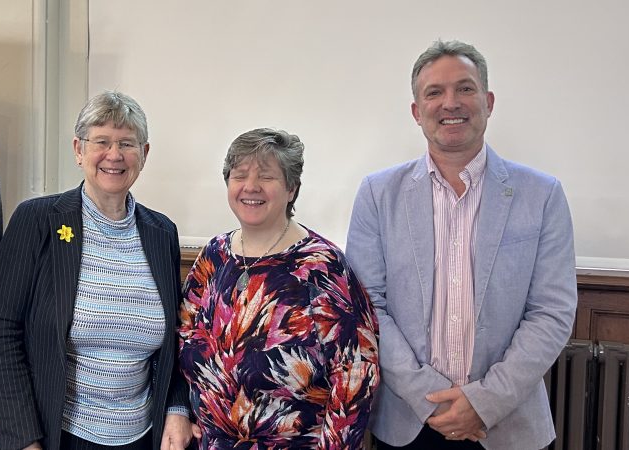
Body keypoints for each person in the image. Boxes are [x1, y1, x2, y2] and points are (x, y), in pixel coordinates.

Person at [346, 40, 577, 450]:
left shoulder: (542, 195)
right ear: (417, 112)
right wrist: (427, 398)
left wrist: (483, 402)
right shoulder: (378, 194)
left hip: (507, 426)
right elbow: (369, 307)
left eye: (465, 89)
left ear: (488, 101)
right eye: (434, 92)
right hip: (408, 423)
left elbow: (552, 311)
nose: (450, 102)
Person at [0, 91, 192, 450]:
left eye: (127, 143)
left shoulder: (162, 233)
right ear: (79, 150)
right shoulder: (38, 220)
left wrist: (177, 406)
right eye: (101, 142)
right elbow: (0, 330)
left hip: (144, 436)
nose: (114, 155)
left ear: (144, 154)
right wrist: (23, 438)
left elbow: (177, 339)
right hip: (58, 435)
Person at [178, 128, 380, 449]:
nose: (251, 187)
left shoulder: (322, 265)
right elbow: (185, 338)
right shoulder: (214, 255)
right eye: (239, 175)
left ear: (291, 189)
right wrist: (184, 411)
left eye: (267, 177)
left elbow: (356, 373)